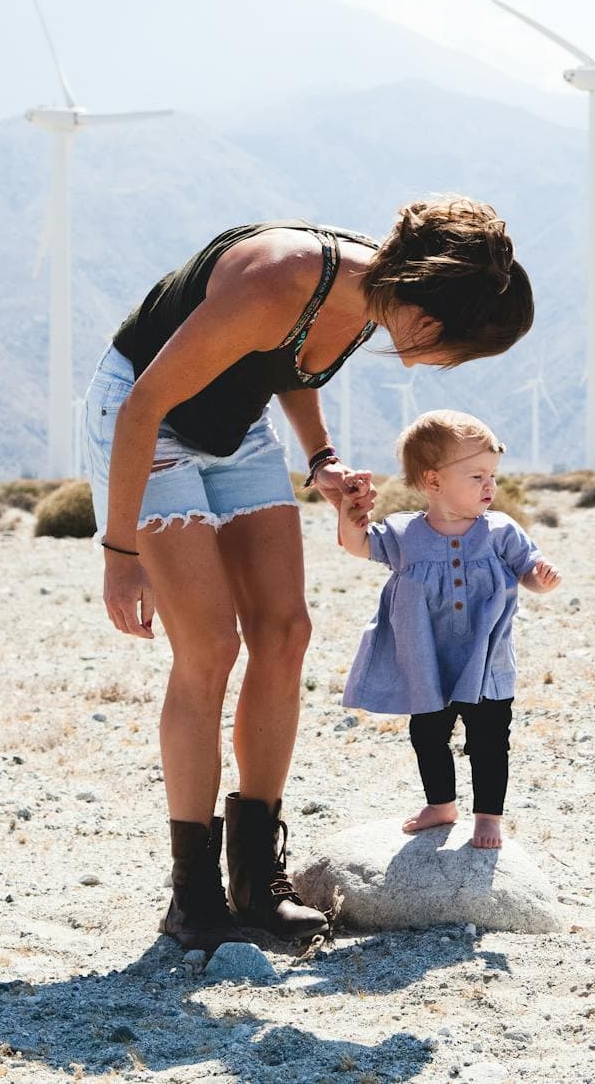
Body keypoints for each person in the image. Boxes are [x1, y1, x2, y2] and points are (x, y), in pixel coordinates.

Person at [84, 199, 532, 947]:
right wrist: (120, 552)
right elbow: (143, 403)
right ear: (431, 310)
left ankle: (256, 882)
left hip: (237, 429)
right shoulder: (280, 277)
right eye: (460, 344)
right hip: (148, 421)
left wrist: (321, 460)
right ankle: (192, 899)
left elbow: (292, 361)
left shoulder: (374, 298)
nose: (451, 361)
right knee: (210, 647)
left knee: (286, 631)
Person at [336, 410, 561, 850]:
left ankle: (488, 816)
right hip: (428, 662)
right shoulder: (403, 534)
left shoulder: (500, 531)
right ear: (434, 482)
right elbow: (356, 544)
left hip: (486, 663)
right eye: (477, 476)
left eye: (493, 475)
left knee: (491, 739)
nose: (490, 486)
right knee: (428, 734)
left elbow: (527, 571)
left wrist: (541, 577)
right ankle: (441, 805)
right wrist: (349, 512)